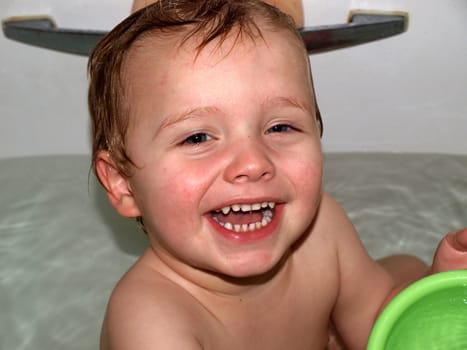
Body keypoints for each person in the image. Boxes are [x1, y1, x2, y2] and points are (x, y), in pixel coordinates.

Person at [88, 1, 467, 349]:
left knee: (409, 270)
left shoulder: (321, 229)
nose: (253, 162)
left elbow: (375, 326)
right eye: (198, 137)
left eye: (280, 127)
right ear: (123, 184)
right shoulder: (149, 319)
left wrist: (440, 289)